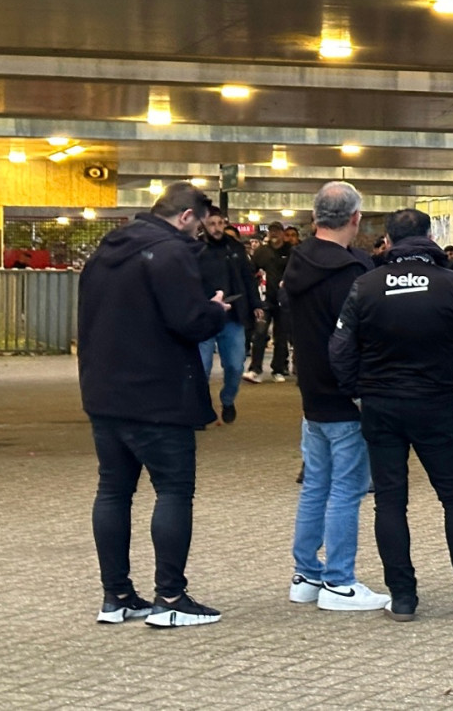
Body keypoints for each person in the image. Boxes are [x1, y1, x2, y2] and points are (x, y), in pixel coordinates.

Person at [329, 208, 453, 622]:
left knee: (389, 502)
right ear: (428, 235)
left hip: (381, 406)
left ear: (388, 239)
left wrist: (357, 390)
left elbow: (338, 349)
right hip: (437, 404)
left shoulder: (365, 285)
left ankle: (403, 598)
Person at [79, 181, 229, 627]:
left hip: (104, 393)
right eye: (199, 226)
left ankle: (117, 595)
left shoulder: (106, 250)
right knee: (174, 491)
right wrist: (217, 310)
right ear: (186, 216)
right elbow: (190, 321)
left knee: (113, 491)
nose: (200, 235)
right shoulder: (171, 253)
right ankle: (170, 598)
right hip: (159, 396)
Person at [281, 182, 388, 613]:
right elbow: (359, 338)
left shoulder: (296, 262)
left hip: (312, 391)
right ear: (356, 219)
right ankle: (340, 581)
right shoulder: (350, 274)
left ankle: (307, 573)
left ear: (314, 218)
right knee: (347, 489)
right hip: (347, 395)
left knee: (316, 487)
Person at [197, 212, 261, 424]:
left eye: (220, 223)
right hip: (203, 318)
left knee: (235, 366)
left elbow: (247, 278)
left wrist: (256, 305)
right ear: (204, 225)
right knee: (201, 369)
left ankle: (228, 399)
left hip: (232, 316)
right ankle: (202, 408)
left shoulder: (235, 248)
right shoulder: (193, 248)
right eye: (211, 223)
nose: (216, 227)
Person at [245, 222, 292, 383]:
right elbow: (251, 271)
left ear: (282, 233)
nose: (274, 234)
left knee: (281, 336)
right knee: (259, 333)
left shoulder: (291, 251)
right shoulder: (262, 252)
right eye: (272, 231)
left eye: (277, 231)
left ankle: (278, 369)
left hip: (284, 300)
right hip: (265, 300)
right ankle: (255, 369)